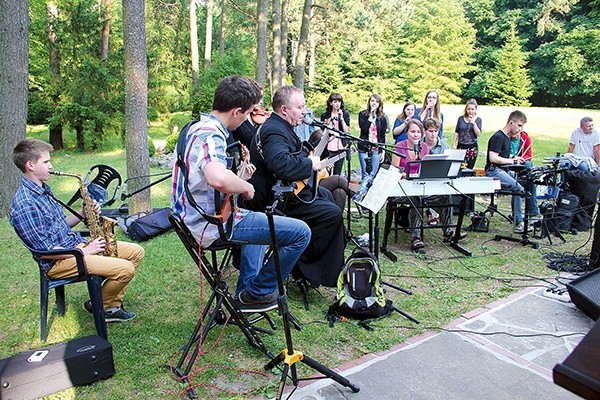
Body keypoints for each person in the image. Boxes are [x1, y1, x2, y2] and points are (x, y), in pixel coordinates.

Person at [171, 76, 311, 312]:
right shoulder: (210, 134)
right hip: (209, 225)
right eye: (247, 114)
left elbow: (205, 180)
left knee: (256, 215)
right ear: (236, 111)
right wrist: (246, 187)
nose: (247, 119)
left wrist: (239, 177)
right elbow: (217, 177)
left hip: (194, 217)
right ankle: (259, 292)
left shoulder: (194, 128)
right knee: (301, 233)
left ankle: (247, 295)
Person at [10, 139, 144, 322]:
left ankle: (108, 305)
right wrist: (84, 251)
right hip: (59, 262)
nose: (51, 165)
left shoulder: (42, 190)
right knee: (126, 269)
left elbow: (60, 225)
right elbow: (45, 250)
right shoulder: (25, 204)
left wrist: (83, 213)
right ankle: (102, 306)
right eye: (46, 162)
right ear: (30, 165)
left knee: (136, 252)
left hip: (74, 247)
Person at [246, 85, 346, 288]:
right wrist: (310, 164)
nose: (304, 111)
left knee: (326, 195)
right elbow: (280, 163)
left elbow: (291, 154)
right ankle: (309, 270)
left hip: (286, 191)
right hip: (275, 201)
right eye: (300, 107)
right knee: (332, 213)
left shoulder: (279, 126)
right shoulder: (274, 130)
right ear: (284, 110)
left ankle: (308, 264)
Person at [485, 110, 531, 234]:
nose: (521, 129)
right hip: (493, 171)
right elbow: (493, 158)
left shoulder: (508, 137)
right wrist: (511, 162)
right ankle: (519, 223)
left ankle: (532, 215)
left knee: (529, 182)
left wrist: (514, 158)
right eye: (519, 125)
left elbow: (503, 154)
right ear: (511, 122)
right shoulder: (498, 137)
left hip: (502, 170)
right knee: (518, 188)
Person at [510, 130, 541, 221]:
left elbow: (528, 155)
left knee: (529, 168)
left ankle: (533, 212)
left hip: (521, 164)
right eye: (513, 134)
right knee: (517, 186)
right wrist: (513, 158)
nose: (515, 135)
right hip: (508, 164)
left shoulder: (525, 138)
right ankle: (519, 218)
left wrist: (522, 159)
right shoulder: (505, 137)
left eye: (517, 134)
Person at [357, 94, 388, 181]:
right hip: (364, 147)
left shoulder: (382, 117)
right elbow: (364, 129)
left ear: (380, 104)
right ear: (369, 102)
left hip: (376, 148)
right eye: (372, 101)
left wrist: (383, 151)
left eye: (377, 101)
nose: (374, 103)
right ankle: (363, 193)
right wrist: (370, 117)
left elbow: (382, 136)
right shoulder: (362, 114)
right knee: (365, 173)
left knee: (373, 174)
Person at [320, 93, 350, 175]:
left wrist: (341, 118)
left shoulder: (345, 114)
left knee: (337, 172)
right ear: (330, 103)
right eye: (335, 102)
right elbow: (322, 131)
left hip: (340, 144)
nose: (337, 104)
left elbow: (346, 131)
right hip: (328, 144)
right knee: (326, 171)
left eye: (339, 102)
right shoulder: (325, 115)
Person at [453, 99, 482, 169]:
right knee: (460, 167)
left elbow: (478, 134)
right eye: (468, 109)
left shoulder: (478, 120)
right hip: (461, 145)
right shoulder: (460, 119)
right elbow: (457, 131)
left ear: (475, 110)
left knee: (469, 167)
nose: (470, 111)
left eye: (472, 109)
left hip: (472, 146)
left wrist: (473, 123)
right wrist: (454, 144)